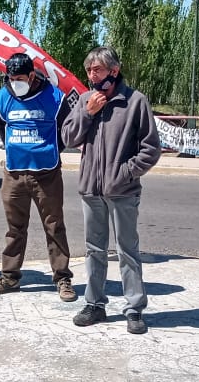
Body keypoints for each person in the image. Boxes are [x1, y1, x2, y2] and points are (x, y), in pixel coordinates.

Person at [61, 46, 161, 334]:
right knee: (94, 250)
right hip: (91, 190)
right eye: (89, 70)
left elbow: (151, 148)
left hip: (123, 190)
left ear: (114, 71)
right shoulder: (84, 100)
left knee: (128, 250)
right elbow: (68, 136)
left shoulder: (135, 102)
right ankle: (94, 304)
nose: (93, 75)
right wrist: (88, 113)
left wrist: (125, 173)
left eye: (98, 70)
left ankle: (134, 308)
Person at [0, 53, 75, 301]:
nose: (15, 82)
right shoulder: (3, 96)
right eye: (11, 78)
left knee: (55, 226)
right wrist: (18, 150)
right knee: (14, 229)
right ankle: (9, 277)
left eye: (20, 78)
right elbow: (2, 127)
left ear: (32, 75)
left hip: (47, 175)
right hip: (14, 174)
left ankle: (62, 278)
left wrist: (47, 151)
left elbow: (65, 132)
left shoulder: (55, 98)